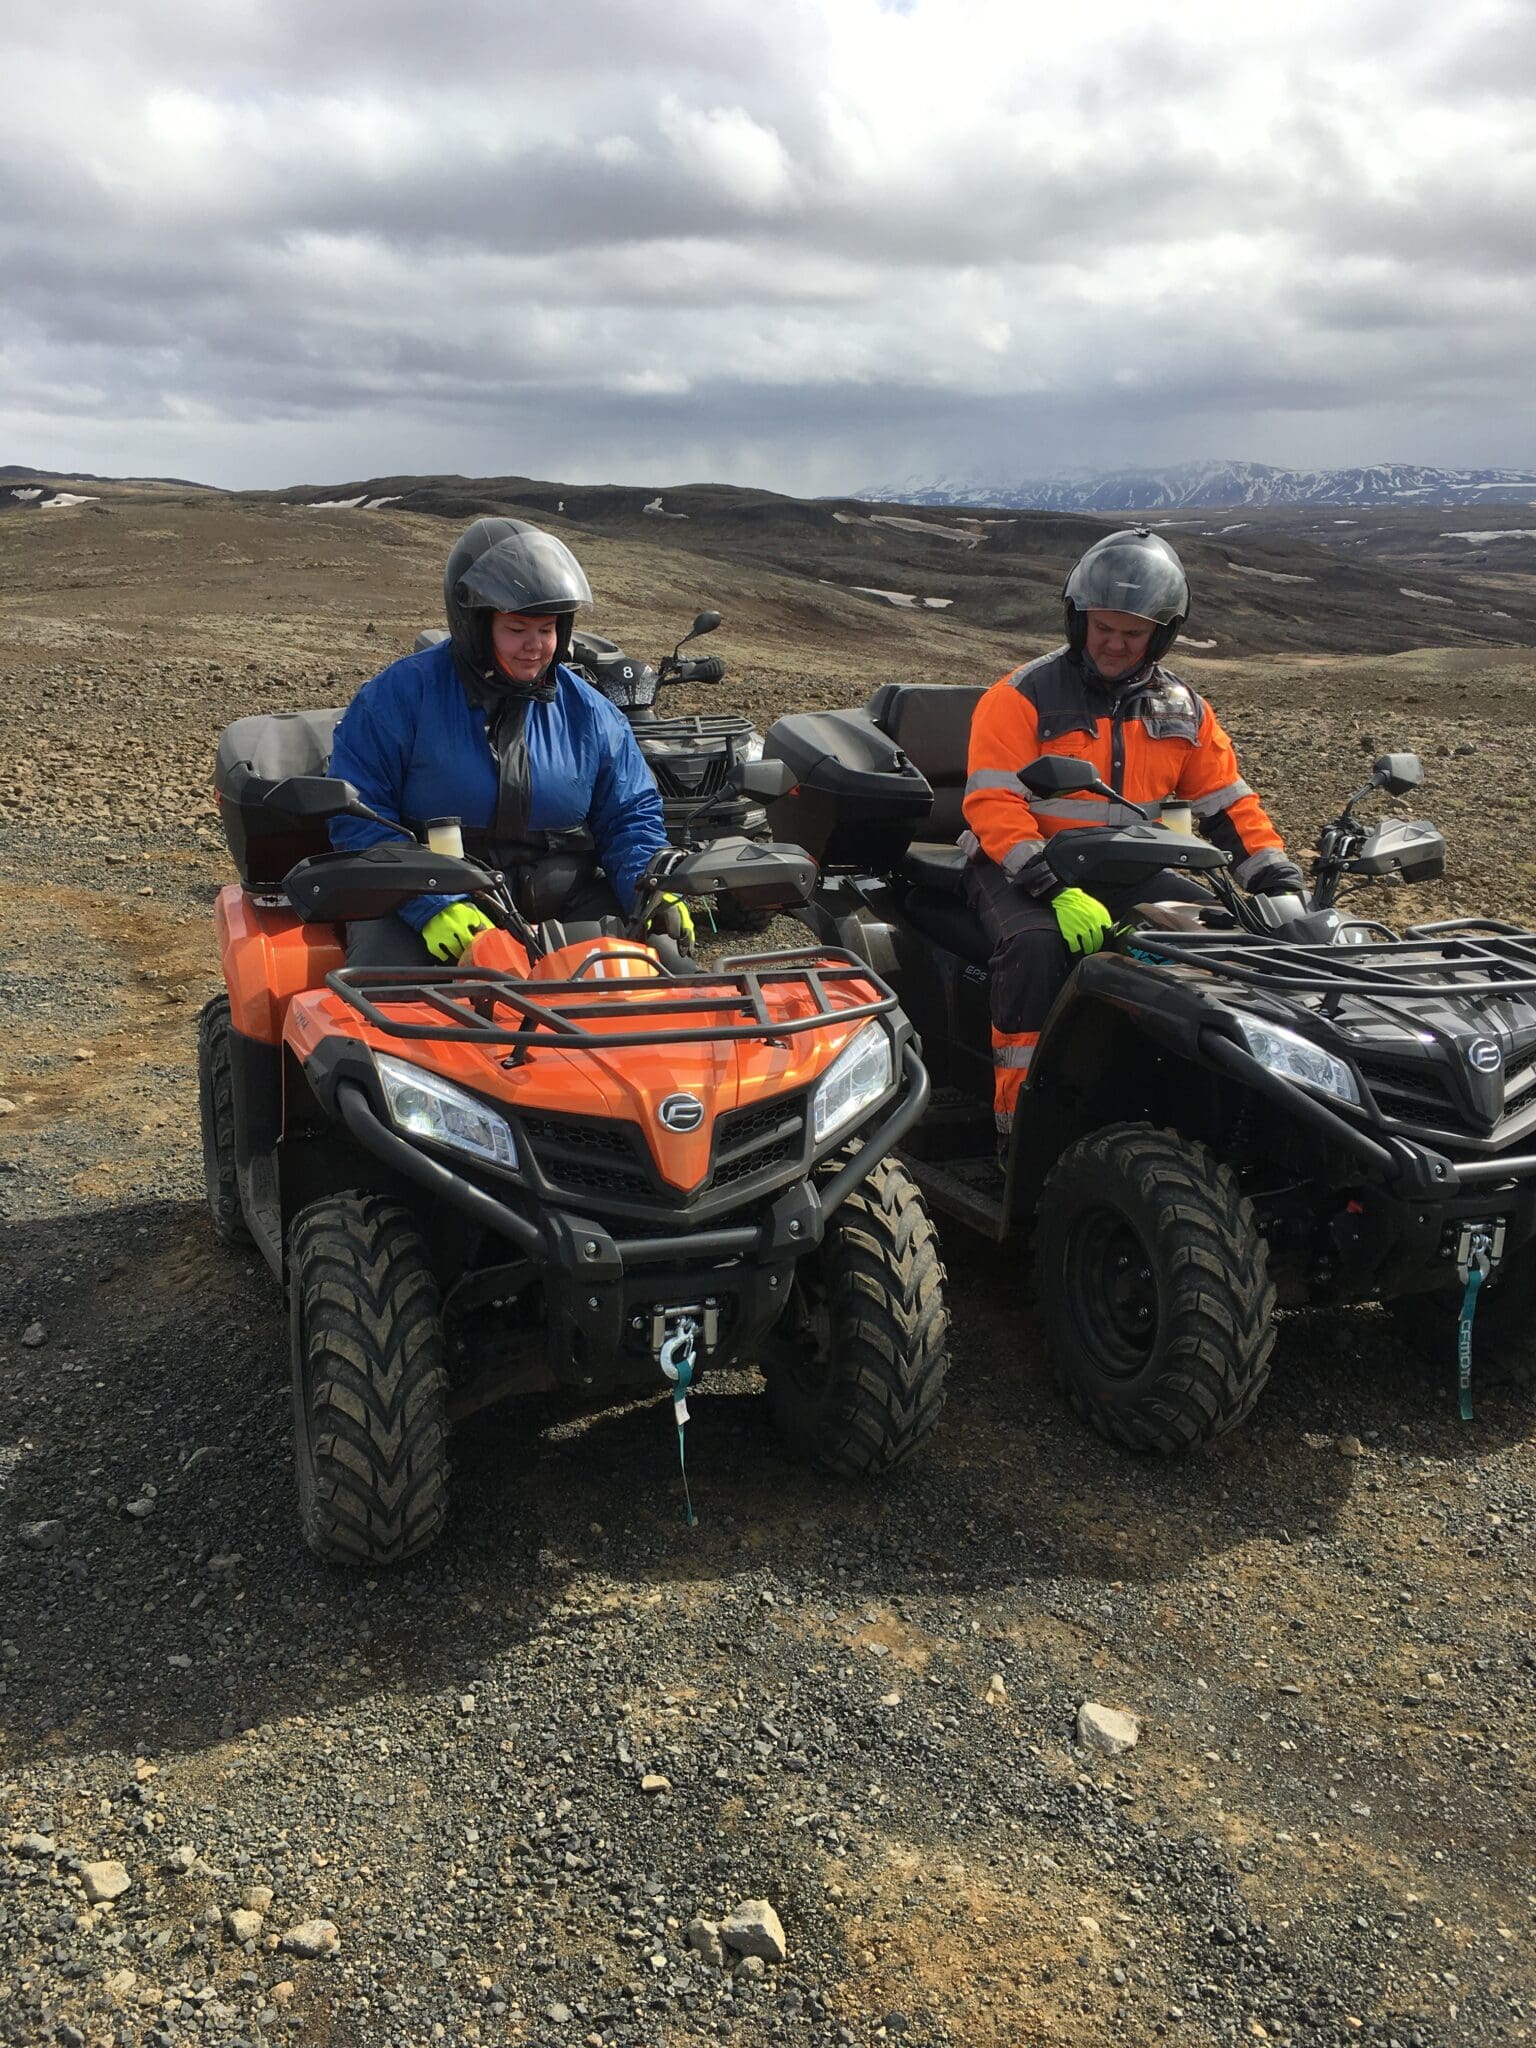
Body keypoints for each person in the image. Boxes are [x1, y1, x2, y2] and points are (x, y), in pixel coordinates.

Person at [961, 527, 1303, 1141]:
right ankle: (1023, 1126)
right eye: (1103, 628)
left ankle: (1220, 1115)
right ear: (1079, 621)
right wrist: (1049, 886)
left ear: (1161, 636)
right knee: (1036, 949)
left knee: (1229, 943)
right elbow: (994, 805)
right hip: (1016, 866)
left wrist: (1276, 879)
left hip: (1129, 869)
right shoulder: (1020, 697)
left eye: (1133, 633)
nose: (1115, 644)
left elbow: (1228, 806)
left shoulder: (1184, 709)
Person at [327, 518, 690, 964]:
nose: (534, 646)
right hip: (425, 901)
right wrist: (428, 903)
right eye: (517, 629)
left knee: (669, 970)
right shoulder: (396, 697)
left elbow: (630, 816)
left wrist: (651, 886)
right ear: (475, 625)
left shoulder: (592, 713)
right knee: (383, 993)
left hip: (562, 904)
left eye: (547, 629)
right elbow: (359, 818)